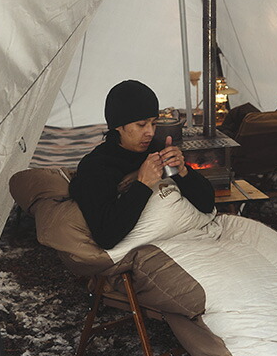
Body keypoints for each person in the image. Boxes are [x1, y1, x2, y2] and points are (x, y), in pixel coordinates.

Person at [69, 80, 215, 249]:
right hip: (147, 249)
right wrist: (142, 184)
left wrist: (183, 172)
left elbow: (207, 205)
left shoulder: (156, 150)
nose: (151, 133)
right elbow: (106, 235)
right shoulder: (96, 167)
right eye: (141, 125)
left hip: (182, 239)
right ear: (118, 126)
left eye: (154, 123)